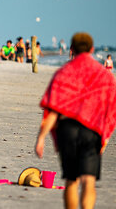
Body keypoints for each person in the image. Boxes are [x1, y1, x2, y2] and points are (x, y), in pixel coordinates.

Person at [35, 32, 116, 209]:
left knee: (72, 180)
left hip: (67, 129)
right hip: (92, 131)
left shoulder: (63, 73)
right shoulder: (105, 76)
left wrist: (41, 137)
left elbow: (53, 109)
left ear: (71, 49)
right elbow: (111, 110)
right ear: (92, 49)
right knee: (89, 181)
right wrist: (106, 137)